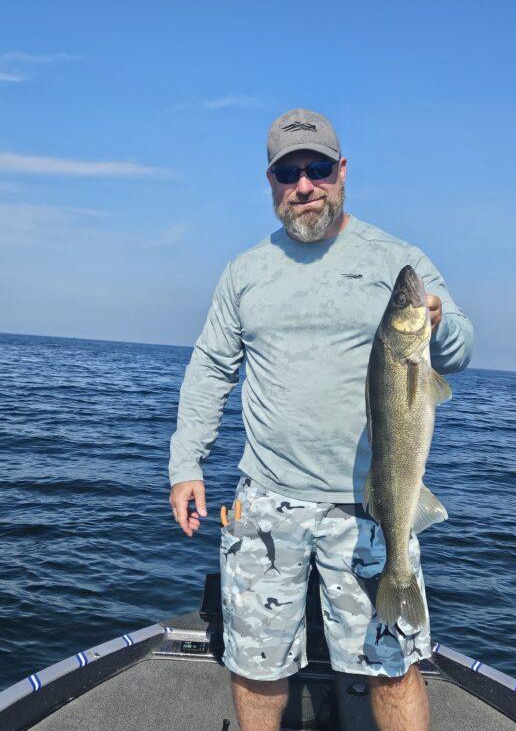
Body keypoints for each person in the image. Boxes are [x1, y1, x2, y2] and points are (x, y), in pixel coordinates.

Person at [168, 108, 474, 731]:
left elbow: (461, 350)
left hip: (372, 506)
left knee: (392, 665)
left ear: (342, 171)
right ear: (272, 182)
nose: (304, 186)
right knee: (256, 664)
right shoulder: (245, 272)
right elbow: (209, 369)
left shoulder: (399, 262)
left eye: (318, 169)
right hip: (266, 501)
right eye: (289, 173)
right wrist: (185, 464)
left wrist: (439, 324)